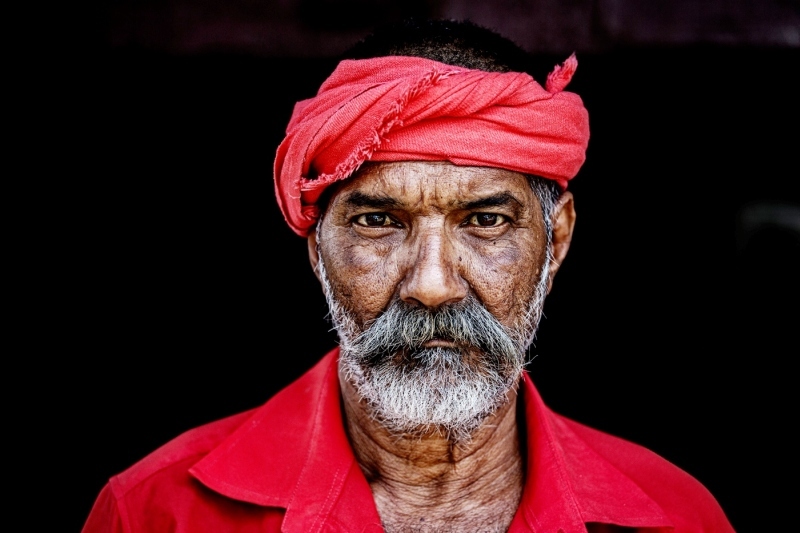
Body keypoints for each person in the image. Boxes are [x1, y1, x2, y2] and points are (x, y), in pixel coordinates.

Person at [82, 18, 735, 533]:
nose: (432, 284)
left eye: (484, 219)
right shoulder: (152, 513)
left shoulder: (677, 519)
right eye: (376, 221)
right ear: (316, 245)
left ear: (555, 239)